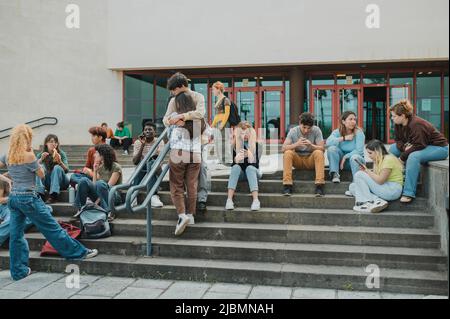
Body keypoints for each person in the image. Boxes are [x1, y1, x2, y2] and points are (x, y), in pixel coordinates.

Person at [6, 124, 98, 281]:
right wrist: (37, 160)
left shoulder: (9, 156)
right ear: (26, 138)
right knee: (52, 228)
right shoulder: (28, 156)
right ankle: (79, 252)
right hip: (28, 198)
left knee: (15, 235)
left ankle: (18, 271)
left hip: (13, 198)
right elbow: (41, 175)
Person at [163, 72, 205, 236]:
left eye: (173, 89)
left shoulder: (175, 101)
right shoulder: (199, 97)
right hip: (195, 150)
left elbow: (166, 120)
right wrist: (184, 118)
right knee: (192, 184)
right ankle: (191, 215)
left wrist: (179, 117)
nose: (172, 93)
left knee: (176, 184)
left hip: (180, 148)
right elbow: (200, 115)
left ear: (180, 86)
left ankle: (182, 215)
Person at [389, 99, 449, 203]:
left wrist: (402, 157)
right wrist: (404, 148)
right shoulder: (398, 124)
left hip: (439, 148)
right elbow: (398, 140)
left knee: (413, 156)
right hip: (422, 146)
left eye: (394, 116)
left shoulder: (416, 124)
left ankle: (408, 192)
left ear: (402, 116)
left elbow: (419, 145)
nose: (392, 118)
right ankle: (394, 181)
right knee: (393, 148)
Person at [348, 140, 404, 213]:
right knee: (353, 186)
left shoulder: (388, 159)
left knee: (359, 174)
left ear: (377, 151)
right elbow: (375, 178)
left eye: (370, 153)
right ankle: (378, 200)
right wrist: (366, 171)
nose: (369, 155)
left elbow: (380, 181)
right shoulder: (378, 159)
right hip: (384, 187)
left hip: (392, 190)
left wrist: (367, 171)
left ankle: (364, 203)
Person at [282, 112, 326, 197]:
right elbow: (283, 148)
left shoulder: (316, 130)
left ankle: (319, 186)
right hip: (297, 160)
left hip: (310, 160)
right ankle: (287, 185)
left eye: (309, 128)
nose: (306, 130)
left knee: (319, 152)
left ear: (312, 126)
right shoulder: (293, 131)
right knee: (288, 153)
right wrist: (296, 144)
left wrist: (311, 145)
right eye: (304, 127)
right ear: (300, 123)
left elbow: (322, 149)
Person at [74, 144, 122, 216]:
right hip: (100, 195)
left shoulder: (116, 167)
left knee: (100, 183)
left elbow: (108, 187)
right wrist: (95, 170)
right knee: (83, 180)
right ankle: (81, 208)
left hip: (113, 195)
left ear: (102, 155)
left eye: (97, 153)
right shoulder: (100, 166)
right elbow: (94, 186)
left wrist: (96, 202)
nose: (94, 155)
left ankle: (110, 211)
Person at [225, 121, 262, 211]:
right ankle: (229, 200)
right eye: (242, 133)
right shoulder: (235, 146)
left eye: (247, 132)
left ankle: (256, 200)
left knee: (250, 168)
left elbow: (255, 165)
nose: (244, 135)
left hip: (254, 173)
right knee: (235, 167)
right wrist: (236, 160)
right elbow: (234, 167)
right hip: (241, 174)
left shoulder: (257, 145)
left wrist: (249, 155)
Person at [326, 111, 366, 183]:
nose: (353, 122)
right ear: (343, 121)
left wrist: (345, 156)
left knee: (355, 157)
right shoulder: (337, 132)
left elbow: (359, 151)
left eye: (354, 119)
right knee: (331, 149)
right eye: (350, 119)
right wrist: (344, 138)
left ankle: (356, 182)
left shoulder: (359, 133)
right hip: (341, 163)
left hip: (355, 162)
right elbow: (328, 142)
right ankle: (335, 174)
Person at [132, 122, 164, 208]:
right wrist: (143, 145)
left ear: (155, 132)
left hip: (156, 169)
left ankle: (153, 195)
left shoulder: (159, 141)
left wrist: (149, 160)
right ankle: (133, 196)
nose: (147, 131)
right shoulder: (138, 142)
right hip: (142, 169)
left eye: (150, 129)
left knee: (151, 163)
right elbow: (135, 161)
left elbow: (159, 158)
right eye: (145, 130)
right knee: (142, 164)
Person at [35, 134, 70, 204]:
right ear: (46, 143)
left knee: (57, 167)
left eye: (55, 142)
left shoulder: (61, 154)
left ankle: (53, 195)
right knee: (39, 167)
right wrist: (41, 160)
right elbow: (33, 168)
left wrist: (60, 162)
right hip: (48, 182)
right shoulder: (41, 155)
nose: (54, 144)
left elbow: (66, 170)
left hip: (62, 182)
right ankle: (40, 193)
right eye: (51, 142)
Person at [0, 175, 33, 246]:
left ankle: (15, 226)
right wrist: (15, 197)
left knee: (48, 208)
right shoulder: (3, 179)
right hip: (8, 206)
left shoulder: (27, 176)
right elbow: (0, 200)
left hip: (24, 204)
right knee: (12, 220)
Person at [211, 81, 232, 165]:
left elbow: (227, 114)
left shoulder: (225, 100)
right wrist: (213, 124)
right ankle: (220, 160)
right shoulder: (218, 100)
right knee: (217, 142)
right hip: (217, 123)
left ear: (218, 89)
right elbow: (217, 115)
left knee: (224, 141)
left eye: (213, 89)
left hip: (224, 123)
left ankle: (227, 160)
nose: (213, 91)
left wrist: (222, 124)